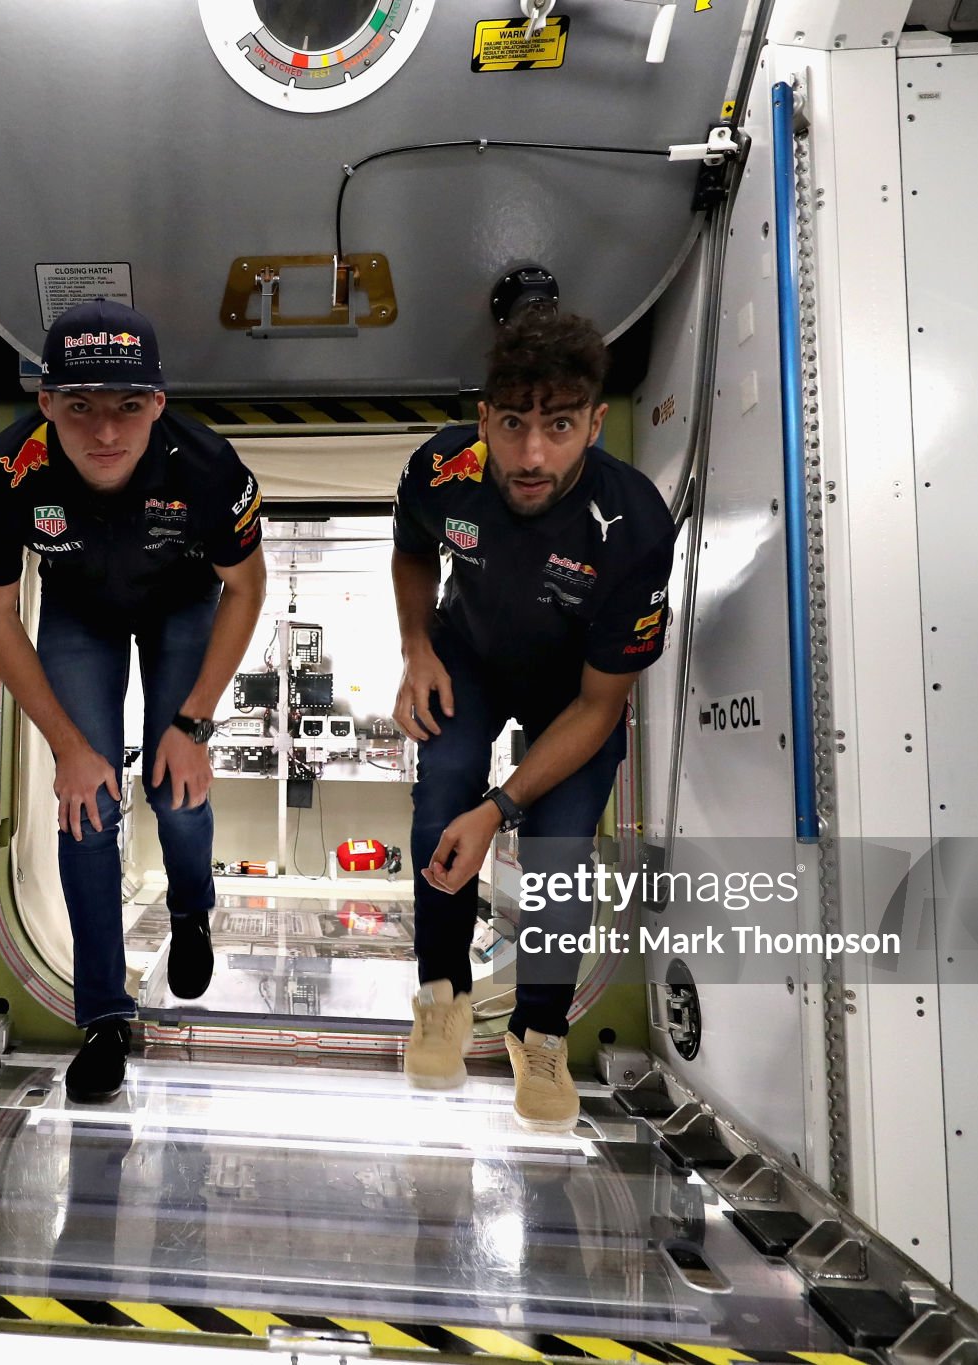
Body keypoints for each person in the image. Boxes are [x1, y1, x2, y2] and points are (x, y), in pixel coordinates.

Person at [0, 300, 266, 1104]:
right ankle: (102, 1014)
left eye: (128, 405)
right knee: (87, 807)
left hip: (184, 606)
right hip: (78, 614)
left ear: (158, 404)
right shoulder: (4, 473)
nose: (104, 430)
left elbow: (247, 587)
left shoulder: (208, 465)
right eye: (81, 406)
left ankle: (193, 905)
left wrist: (194, 724)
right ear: (47, 404)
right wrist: (68, 747)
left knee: (175, 789)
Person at [390, 308, 675, 1132]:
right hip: (469, 658)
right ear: (483, 420)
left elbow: (600, 705)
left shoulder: (634, 526)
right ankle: (442, 991)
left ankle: (540, 1028)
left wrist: (501, 809)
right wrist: (415, 647)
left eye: (558, 425)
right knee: (442, 793)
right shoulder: (444, 470)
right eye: (512, 424)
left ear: (593, 421)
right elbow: (412, 547)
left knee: (559, 853)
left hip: (574, 693)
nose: (532, 454)